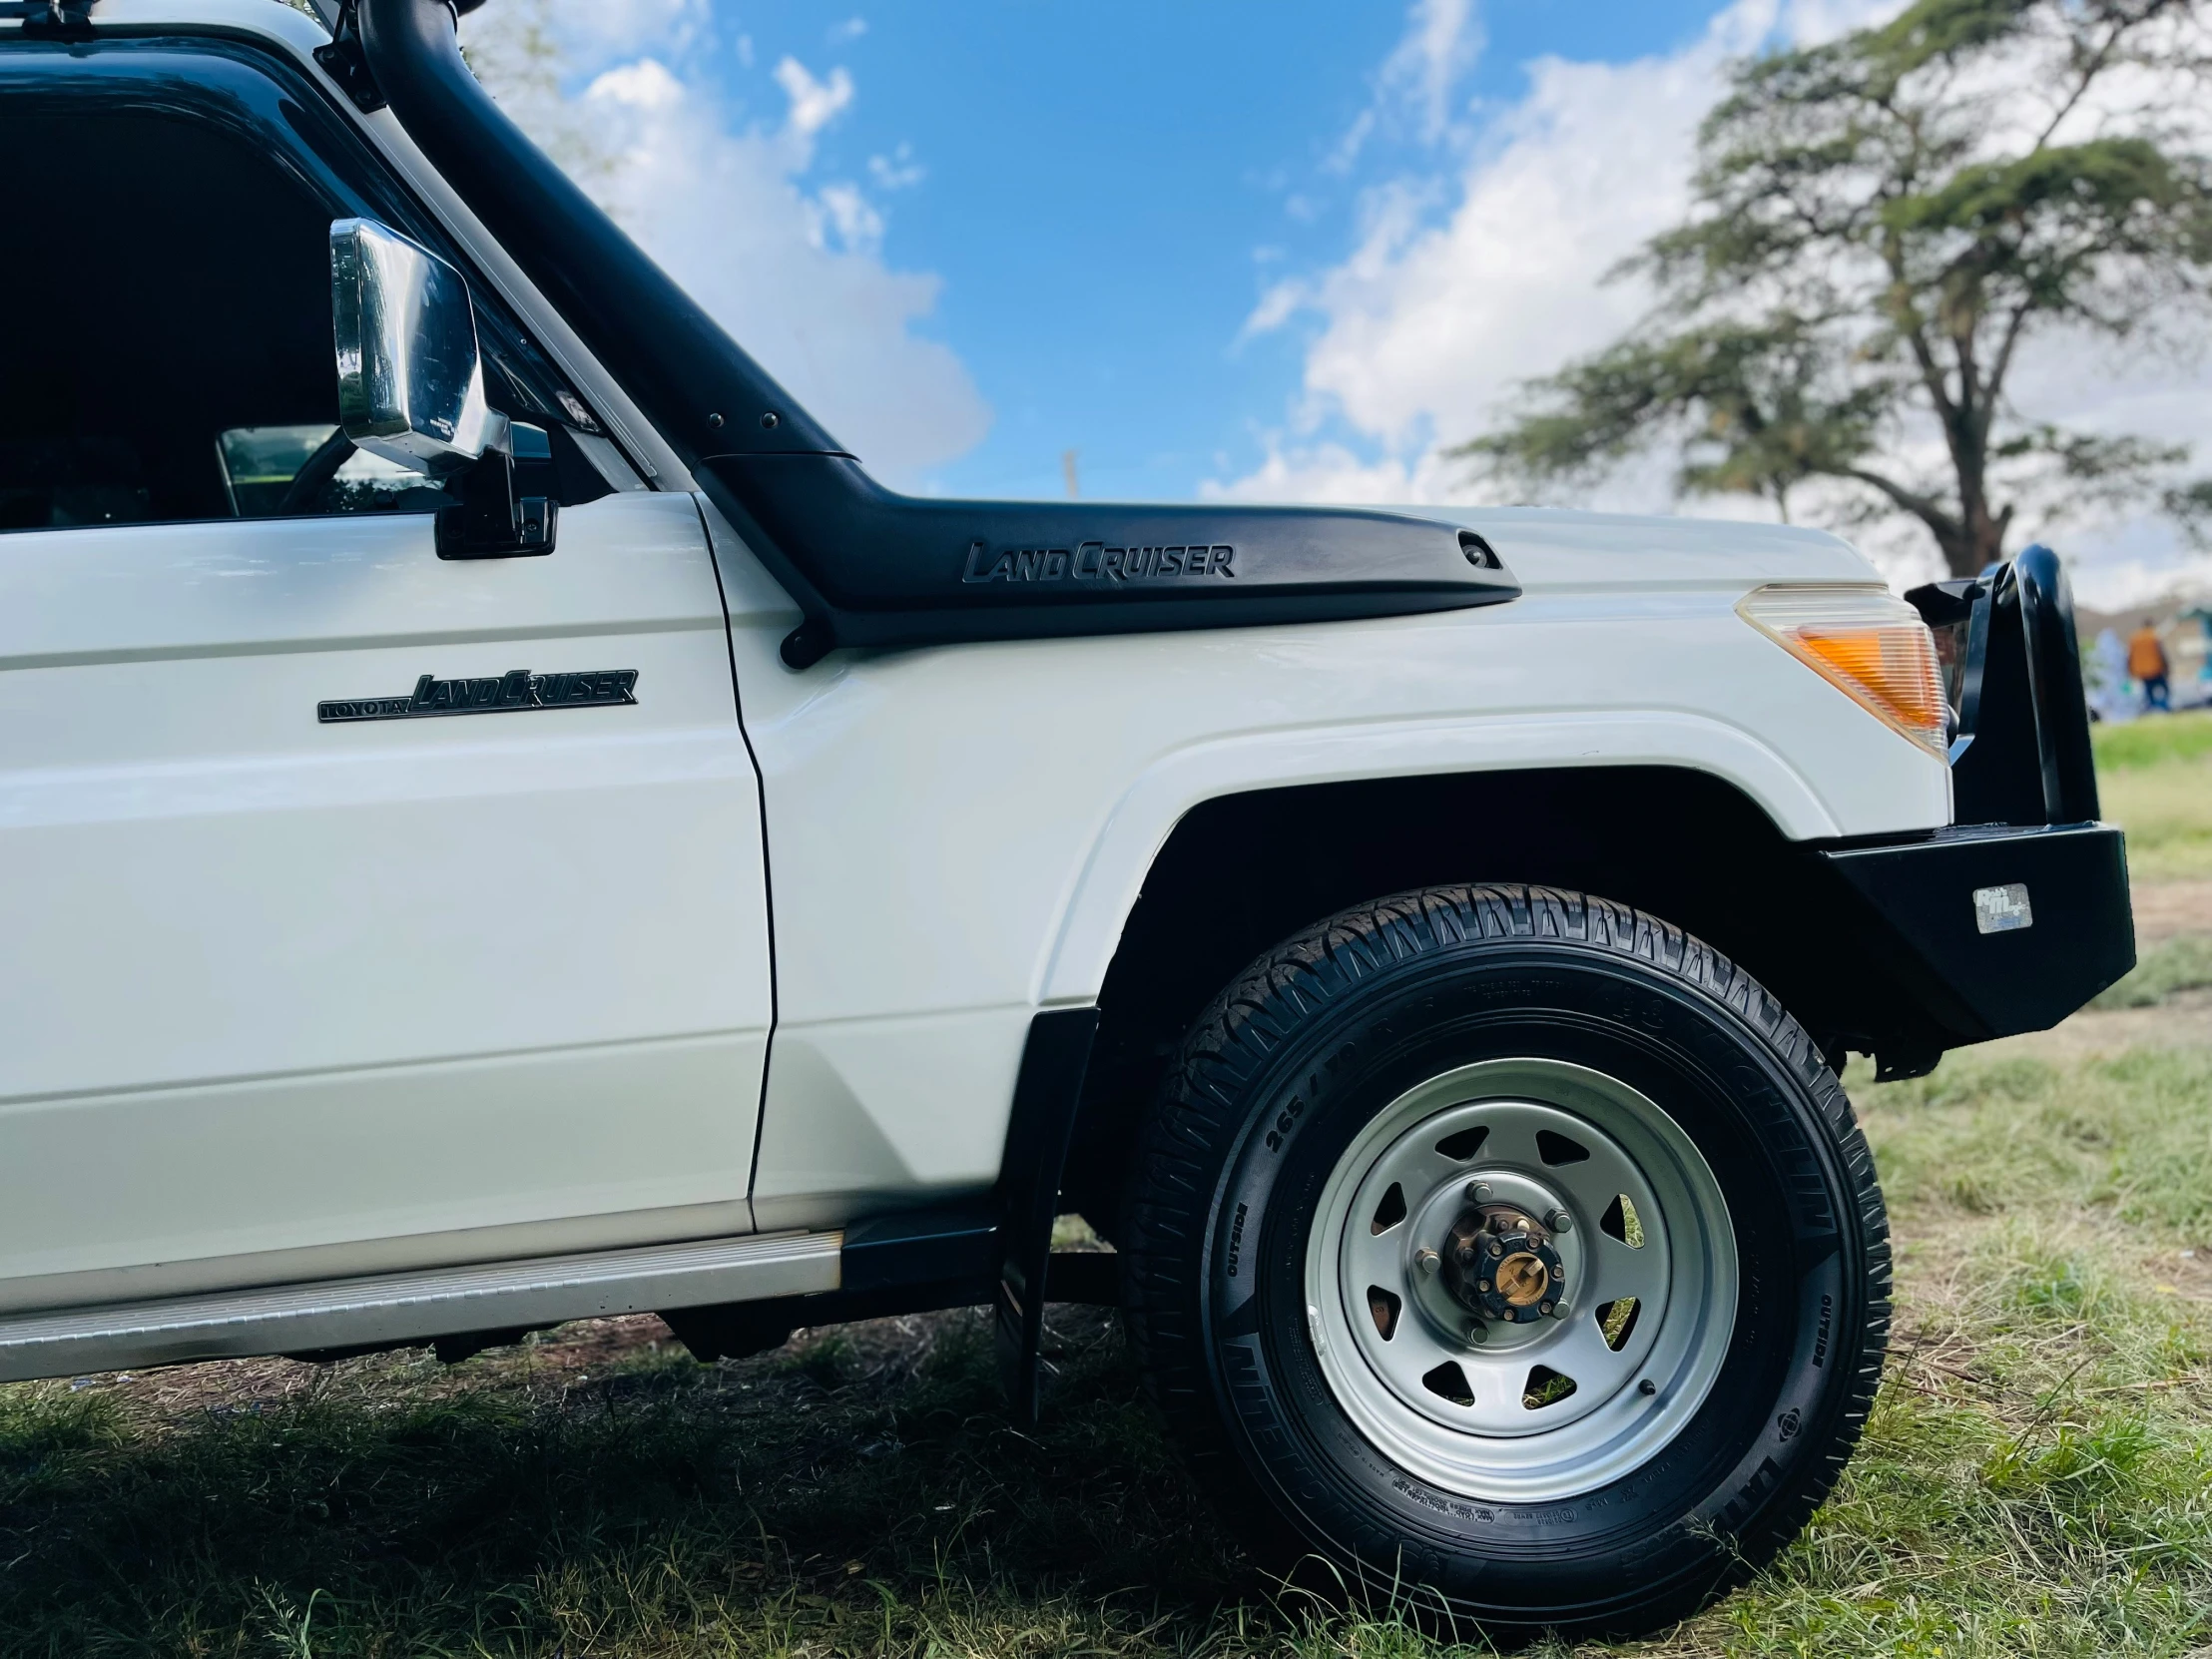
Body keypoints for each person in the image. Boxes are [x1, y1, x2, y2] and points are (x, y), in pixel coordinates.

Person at [2129, 619, 2171, 712]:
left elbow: (2131, 656)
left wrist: (2131, 670)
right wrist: (2167, 667)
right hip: (2156, 669)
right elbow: (2161, 653)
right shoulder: (2154, 636)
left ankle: (2152, 708)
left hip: (2143, 671)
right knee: (2165, 689)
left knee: (2149, 692)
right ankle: (2164, 707)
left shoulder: (2135, 638)